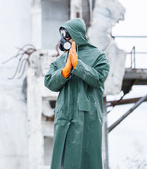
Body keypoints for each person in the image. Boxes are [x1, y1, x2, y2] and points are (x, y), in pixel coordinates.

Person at [44, 18, 110, 169]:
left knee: (88, 160)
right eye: (62, 35)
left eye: (67, 35)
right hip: (64, 118)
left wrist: (78, 65)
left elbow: (99, 78)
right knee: (62, 162)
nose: (64, 39)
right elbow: (49, 82)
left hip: (88, 118)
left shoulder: (98, 56)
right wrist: (65, 71)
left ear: (77, 35)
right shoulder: (60, 61)